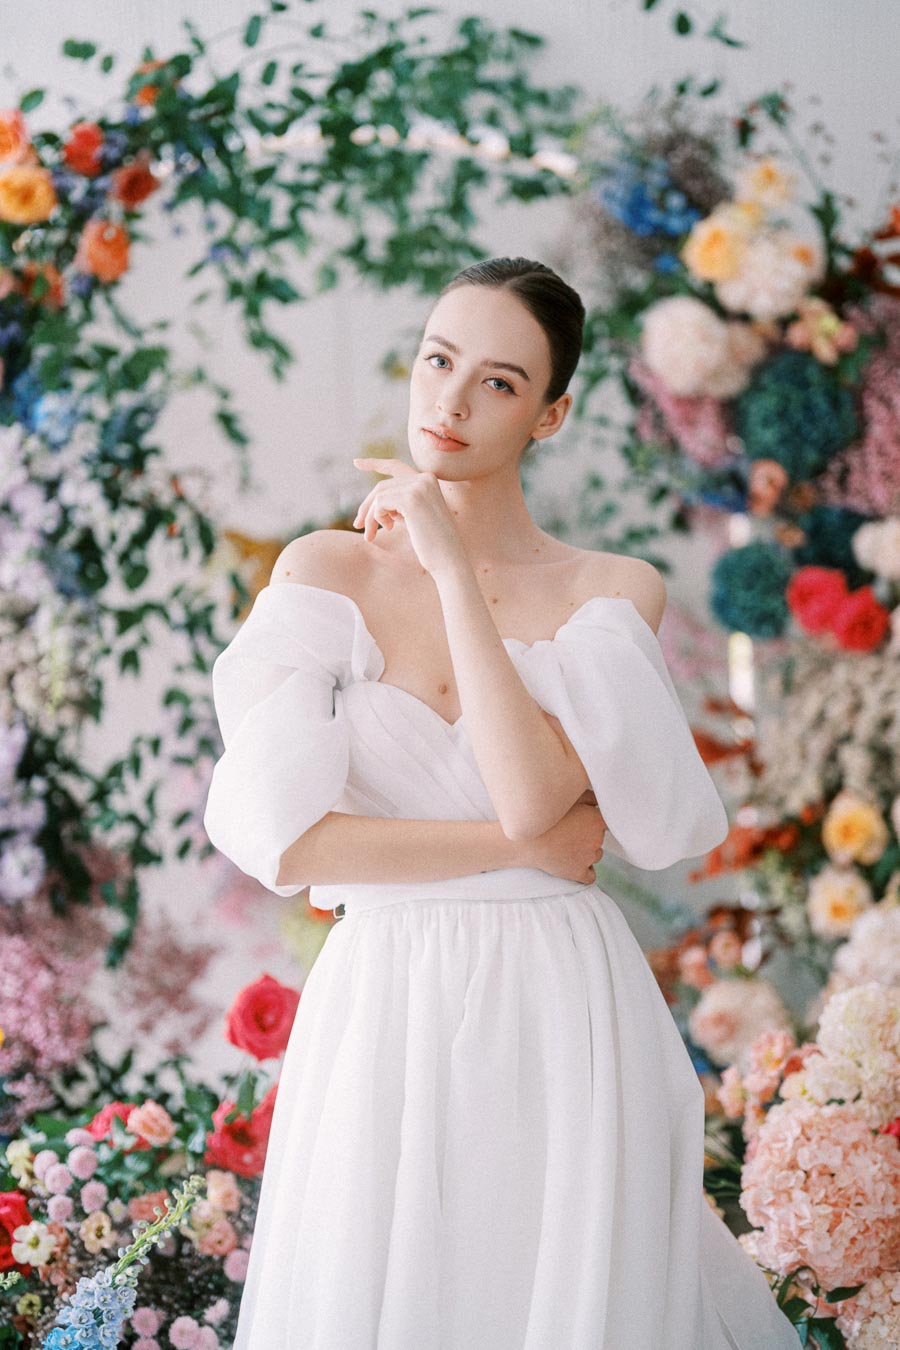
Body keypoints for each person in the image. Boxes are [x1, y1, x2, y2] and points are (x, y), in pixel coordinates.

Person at [203, 257, 801, 1348]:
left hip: (558, 993)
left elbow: (533, 792)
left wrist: (443, 562)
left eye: (498, 382)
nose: (451, 402)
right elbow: (291, 842)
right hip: (385, 995)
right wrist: (517, 845)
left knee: (567, 1288)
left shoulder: (605, 590)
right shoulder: (324, 572)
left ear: (551, 412)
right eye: (439, 361)